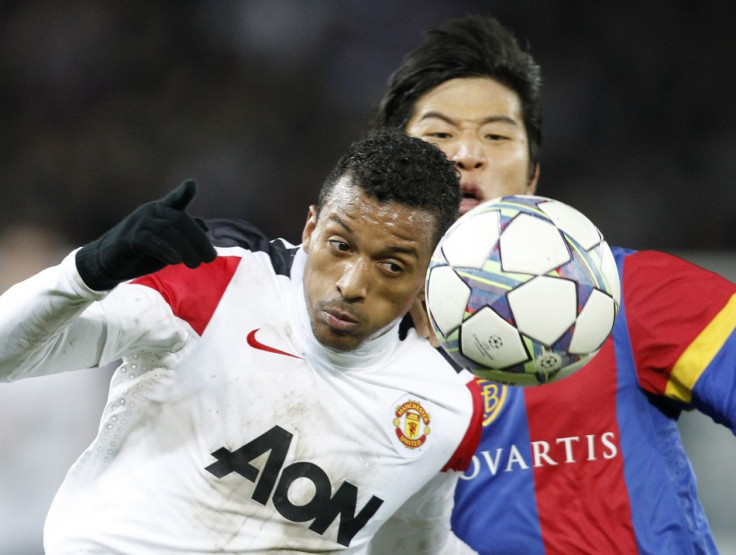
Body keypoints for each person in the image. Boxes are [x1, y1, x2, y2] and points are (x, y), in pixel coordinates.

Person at [0, 129, 483, 553]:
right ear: (311, 229)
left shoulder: (448, 401)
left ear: (429, 274)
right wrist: (86, 272)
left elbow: (415, 544)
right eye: (340, 246)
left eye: (392, 266)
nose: (352, 285)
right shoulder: (214, 280)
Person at [374, 14, 736, 555]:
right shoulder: (349, 336)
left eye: (496, 135)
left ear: (533, 175)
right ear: (390, 168)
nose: (467, 153)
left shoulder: (624, 289)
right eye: (439, 133)